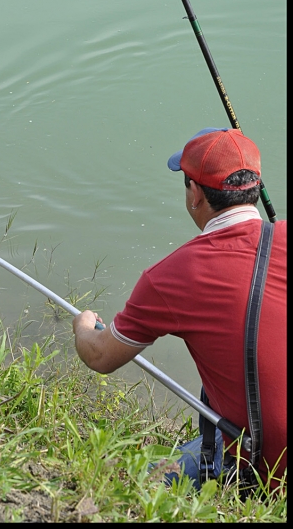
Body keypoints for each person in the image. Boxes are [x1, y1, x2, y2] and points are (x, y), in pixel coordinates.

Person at [73, 127, 286, 492]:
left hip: (267, 468)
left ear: (195, 194)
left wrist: (83, 325)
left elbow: (100, 357)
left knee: (135, 482)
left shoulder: (175, 274)